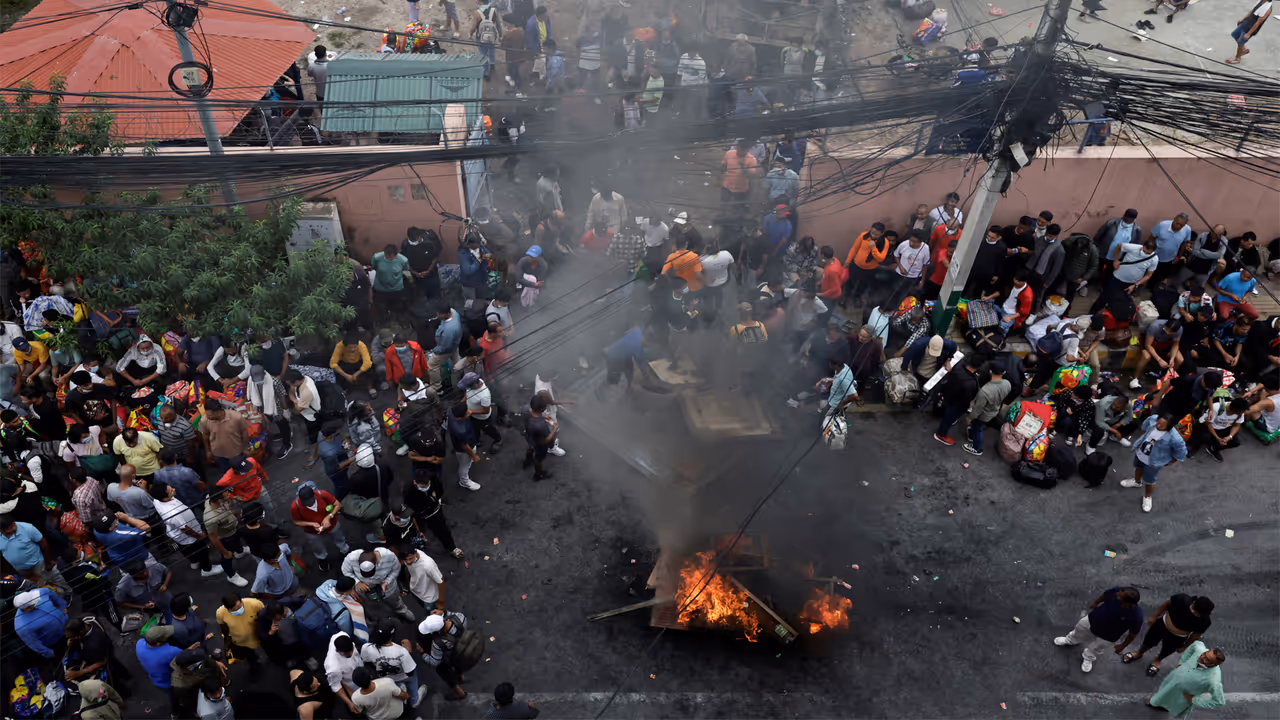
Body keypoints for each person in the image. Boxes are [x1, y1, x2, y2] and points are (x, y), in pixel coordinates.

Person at [1053, 587, 1144, 673]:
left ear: (1130, 604)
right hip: (1092, 620)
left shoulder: (1136, 617)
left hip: (1108, 636)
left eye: (1120, 597)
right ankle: (1070, 640)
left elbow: (1133, 633)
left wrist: (1123, 646)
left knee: (1096, 648)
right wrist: (1096, 603)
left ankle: (1088, 658)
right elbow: (1105, 595)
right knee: (1079, 630)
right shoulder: (1117, 591)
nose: (1117, 595)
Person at [1124, 594, 1215, 677]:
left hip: (1178, 637)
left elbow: (1195, 636)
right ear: (1193, 603)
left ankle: (1158, 660)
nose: (1196, 615)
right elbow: (1166, 605)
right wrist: (1154, 617)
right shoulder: (1181, 599)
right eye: (1195, 612)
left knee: (1167, 650)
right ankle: (1139, 653)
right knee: (1148, 641)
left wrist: (1185, 647)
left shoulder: (1205, 621)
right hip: (1162, 625)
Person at [150, 481, 223, 578]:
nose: (174, 489)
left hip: (176, 535)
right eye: (171, 490)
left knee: (186, 550)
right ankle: (207, 569)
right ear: (165, 497)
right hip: (188, 535)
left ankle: (194, 562)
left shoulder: (157, 500)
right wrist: (199, 536)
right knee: (201, 551)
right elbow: (185, 529)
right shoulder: (172, 513)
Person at [1120, 414, 1188, 512]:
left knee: (1150, 480)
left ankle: (1147, 497)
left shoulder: (1175, 438)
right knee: (1138, 467)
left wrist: (1171, 461)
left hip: (1154, 462)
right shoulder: (1153, 419)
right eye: (1159, 422)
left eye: (1162, 425)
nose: (1158, 425)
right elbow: (1145, 426)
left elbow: (1181, 452)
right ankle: (1136, 482)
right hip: (1140, 453)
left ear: (1169, 427)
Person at [361, 623, 428, 707]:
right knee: (412, 679)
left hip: (386, 677)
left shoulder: (366, 647)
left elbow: (367, 662)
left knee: (394, 684)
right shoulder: (401, 651)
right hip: (403, 676)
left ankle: (400, 689)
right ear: (392, 636)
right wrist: (408, 651)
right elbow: (410, 672)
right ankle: (414, 700)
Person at [341, 547, 416, 621]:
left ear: (376, 562)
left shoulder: (389, 556)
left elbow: (396, 570)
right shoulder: (351, 558)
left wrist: (387, 582)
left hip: (388, 587)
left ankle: (401, 611)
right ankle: (377, 618)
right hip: (365, 590)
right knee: (371, 605)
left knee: (395, 601)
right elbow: (346, 571)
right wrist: (357, 582)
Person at [1148, 642, 1227, 713]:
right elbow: (1196, 643)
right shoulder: (1199, 650)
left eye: (1207, 660)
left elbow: (1219, 701)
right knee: (1164, 691)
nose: (1202, 657)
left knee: (1169, 703)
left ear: (1214, 665)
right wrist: (1182, 662)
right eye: (1205, 654)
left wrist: (1195, 700)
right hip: (1172, 682)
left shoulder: (1213, 680)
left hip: (1181, 696)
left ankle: (1158, 704)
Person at [0, 514, 69, 593]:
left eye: (14, 524)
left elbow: (44, 544)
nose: (15, 527)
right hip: (20, 569)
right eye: (10, 528)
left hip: (38, 564)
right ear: (2, 531)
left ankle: (66, 592)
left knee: (50, 577)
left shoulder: (27, 528)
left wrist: (47, 562)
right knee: (35, 586)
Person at [1090, 235, 1159, 315]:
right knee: (1105, 296)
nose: (1145, 254)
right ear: (1142, 247)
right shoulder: (1133, 247)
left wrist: (1135, 285)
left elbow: (1148, 275)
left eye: (1148, 253)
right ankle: (1093, 313)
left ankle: (1112, 315)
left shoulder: (1154, 259)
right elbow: (1119, 246)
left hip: (1131, 283)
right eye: (1144, 251)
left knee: (1121, 299)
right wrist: (1116, 260)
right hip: (1117, 278)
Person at [289, 481, 348, 573]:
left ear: (314, 494)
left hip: (332, 525)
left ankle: (344, 550)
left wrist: (329, 517)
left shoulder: (323, 494)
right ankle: (322, 559)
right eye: (306, 503)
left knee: (339, 537)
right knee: (317, 546)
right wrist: (311, 524)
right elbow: (296, 521)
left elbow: (338, 505)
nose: (309, 504)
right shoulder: (295, 506)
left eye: (311, 502)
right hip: (312, 532)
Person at [414, 611, 470, 699]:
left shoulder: (438, 643)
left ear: (437, 630)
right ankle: (461, 679)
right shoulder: (460, 617)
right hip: (463, 650)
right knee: (459, 666)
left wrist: (422, 653)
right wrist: (445, 612)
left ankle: (460, 694)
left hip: (449, 659)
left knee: (447, 674)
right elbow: (450, 614)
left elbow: (434, 662)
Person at [962, 362, 1008, 456]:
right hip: (994, 410)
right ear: (1004, 372)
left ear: (990, 372)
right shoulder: (1007, 384)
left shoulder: (985, 391)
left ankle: (977, 448)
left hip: (983, 415)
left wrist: (970, 417)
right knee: (978, 428)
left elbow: (978, 409)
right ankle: (971, 437)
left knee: (977, 428)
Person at [933, 355, 980, 446]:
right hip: (956, 404)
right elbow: (966, 400)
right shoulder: (971, 383)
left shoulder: (958, 367)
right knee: (948, 418)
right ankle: (941, 434)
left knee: (948, 413)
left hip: (947, 395)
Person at [135, 625, 183, 711]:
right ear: (158, 643)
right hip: (169, 681)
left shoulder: (139, 644)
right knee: (175, 697)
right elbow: (184, 656)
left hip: (155, 678)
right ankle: (176, 712)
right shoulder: (170, 652)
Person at [1132, 316, 1185, 389]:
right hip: (1152, 342)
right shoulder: (1155, 326)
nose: (1167, 332)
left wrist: (1172, 359)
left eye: (1170, 332)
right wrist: (1159, 360)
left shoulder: (1179, 330)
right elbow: (1148, 345)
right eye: (1167, 329)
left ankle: (1167, 379)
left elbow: (1176, 344)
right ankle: (1135, 378)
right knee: (1146, 357)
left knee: (1180, 360)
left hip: (1166, 343)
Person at [1190, 395, 1249, 462]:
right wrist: (1217, 438)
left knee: (1235, 442)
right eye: (1242, 412)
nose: (1243, 413)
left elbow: (1236, 425)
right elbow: (1209, 424)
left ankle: (1213, 448)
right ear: (1235, 410)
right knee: (1199, 436)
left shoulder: (1240, 413)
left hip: (1222, 428)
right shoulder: (1216, 408)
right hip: (1206, 425)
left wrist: (1230, 436)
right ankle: (1195, 447)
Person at [13, 587, 67, 658]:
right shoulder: (21, 626)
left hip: (67, 624)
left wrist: (63, 606)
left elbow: (50, 592)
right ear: (26, 608)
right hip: (56, 641)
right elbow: (33, 643)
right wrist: (49, 653)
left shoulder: (39, 592)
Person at [216, 593, 265, 667]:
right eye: (234, 610)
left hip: (257, 637)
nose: (239, 610)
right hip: (240, 642)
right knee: (250, 656)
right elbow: (224, 628)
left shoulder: (256, 604)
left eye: (239, 606)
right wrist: (227, 643)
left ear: (241, 601)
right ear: (227, 609)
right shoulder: (221, 613)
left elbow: (264, 617)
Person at [200, 401, 250, 473]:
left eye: (210, 415)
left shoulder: (236, 417)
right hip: (220, 455)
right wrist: (208, 451)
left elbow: (244, 432)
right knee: (226, 475)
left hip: (237, 453)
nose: (207, 417)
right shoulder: (204, 420)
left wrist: (245, 448)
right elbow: (205, 435)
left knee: (243, 473)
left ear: (218, 412)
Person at [1027, 223, 1065, 311]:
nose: (1048, 238)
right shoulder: (1041, 239)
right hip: (1032, 271)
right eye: (1047, 235)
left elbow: (1056, 269)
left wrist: (1048, 282)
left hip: (1043, 276)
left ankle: (1034, 312)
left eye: (1051, 236)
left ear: (1056, 236)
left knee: (1038, 296)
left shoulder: (1059, 250)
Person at [398, 543, 446, 614]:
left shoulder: (428, 565)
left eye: (410, 558)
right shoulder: (407, 557)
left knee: (433, 615)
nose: (408, 562)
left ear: (415, 553)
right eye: (405, 560)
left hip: (429, 598)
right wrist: (408, 584)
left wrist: (441, 602)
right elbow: (407, 569)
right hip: (415, 591)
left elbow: (441, 581)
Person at [324, 633, 364, 715]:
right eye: (347, 654)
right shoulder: (333, 667)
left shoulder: (342, 635)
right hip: (350, 683)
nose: (351, 654)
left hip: (359, 670)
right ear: (337, 651)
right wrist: (349, 703)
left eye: (351, 650)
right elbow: (336, 686)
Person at [523, 393, 557, 481]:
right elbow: (544, 441)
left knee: (530, 447)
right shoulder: (540, 425)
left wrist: (544, 417)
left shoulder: (526, 408)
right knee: (538, 458)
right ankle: (539, 474)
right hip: (538, 442)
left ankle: (527, 461)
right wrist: (554, 430)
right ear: (542, 409)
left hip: (528, 435)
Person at [331, 332, 374, 399]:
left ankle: (370, 388)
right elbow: (333, 364)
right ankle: (343, 390)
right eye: (350, 348)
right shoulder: (339, 346)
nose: (353, 349)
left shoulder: (361, 345)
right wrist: (346, 376)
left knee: (371, 367)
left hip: (358, 363)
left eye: (355, 347)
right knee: (336, 371)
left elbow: (367, 363)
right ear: (345, 346)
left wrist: (356, 374)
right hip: (346, 363)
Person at [720, 139, 760, 209]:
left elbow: (752, 174)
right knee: (724, 202)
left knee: (738, 206)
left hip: (741, 188)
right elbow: (723, 164)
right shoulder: (729, 154)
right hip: (727, 185)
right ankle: (723, 214)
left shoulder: (751, 159)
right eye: (740, 148)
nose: (740, 151)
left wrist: (743, 167)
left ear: (748, 149)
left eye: (743, 149)